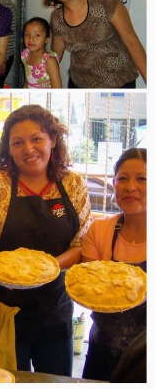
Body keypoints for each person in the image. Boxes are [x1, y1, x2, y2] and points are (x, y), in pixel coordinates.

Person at [0, 104, 92, 376]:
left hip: (54, 305)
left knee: (56, 378)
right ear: (8, 148)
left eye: (36, 138)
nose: (28, 149)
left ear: (53, 140)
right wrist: (14, 276)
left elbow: (81, 244)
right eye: (17, 142)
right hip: (4, 305)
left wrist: (44, 271)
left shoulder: (73, 184)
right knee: (12, 378)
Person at [80, 148, 146, 381]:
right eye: (122, 179)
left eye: (142, 179)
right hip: (102, 350)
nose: (130, 187)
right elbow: (86, 287)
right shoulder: (100, 231)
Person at [44, 0, 146, 88]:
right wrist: (39, 68)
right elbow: (56, 55)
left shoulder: (104, 0)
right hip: (80, 85)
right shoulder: (57, 17)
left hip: (118, 82)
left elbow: (132, 42)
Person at [21, 17, 62, 88]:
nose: (31, 39)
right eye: (27, 34)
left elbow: (57, 89)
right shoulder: (25, 55)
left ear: (47, 39)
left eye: (37, 35)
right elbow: (26, 83)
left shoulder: (49, 61)